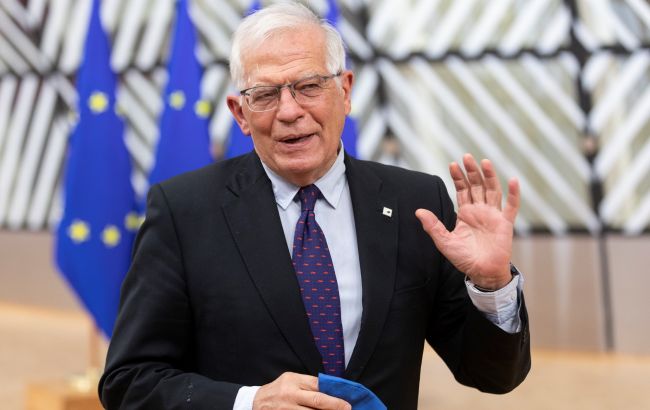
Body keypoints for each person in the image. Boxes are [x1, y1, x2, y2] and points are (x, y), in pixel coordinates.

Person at [99, 2, 530, 409]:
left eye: (308, 87)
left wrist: (492, 285)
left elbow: (492, 374)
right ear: (240, 113)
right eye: (265, 94)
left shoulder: (416, 204)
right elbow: (129, 381)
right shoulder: (184, 212)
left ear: (345, 91)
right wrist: (249, 402)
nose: (289, 111)